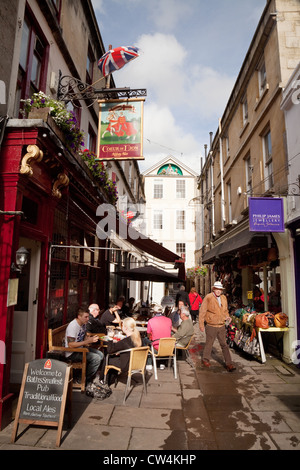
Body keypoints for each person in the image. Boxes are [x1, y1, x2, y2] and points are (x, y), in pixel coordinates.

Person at [199, 281, 236, 372]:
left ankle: (229, 363)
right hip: (211, 325)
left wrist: (227, 317)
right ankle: (205, 359)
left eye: (220, 289)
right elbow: (202, 311)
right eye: (217, 289)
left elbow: (225, 310)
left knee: (224, 344)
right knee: (209, 343)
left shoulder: (224, 298)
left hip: (221, 325)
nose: (219, 291)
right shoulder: (208, 297)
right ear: (214, 289)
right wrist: (201, 324)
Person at [64, 307, 104, 385]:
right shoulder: (73, 326)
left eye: (88, 316)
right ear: (79, 316)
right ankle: (82, 379)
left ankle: (88, 376)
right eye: (85, 317)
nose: (88, 319)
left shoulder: (83, 324)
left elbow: (84, 335)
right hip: (72, 353)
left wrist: (90, 339)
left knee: (101, 354)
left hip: (81, 349)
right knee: (96, 358)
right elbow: (70, 345)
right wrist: (87, 341)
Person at [99, 317, 142, 384]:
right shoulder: (137, 338)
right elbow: (127, 349)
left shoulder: (124, 341)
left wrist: (110, 339)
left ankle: (103, 379)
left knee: (108, 358)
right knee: (114, 358)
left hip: (126, 365)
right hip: (136, 364)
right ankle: (111, 378)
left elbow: (110, 350)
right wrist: (120, 352)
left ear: (126, 328)